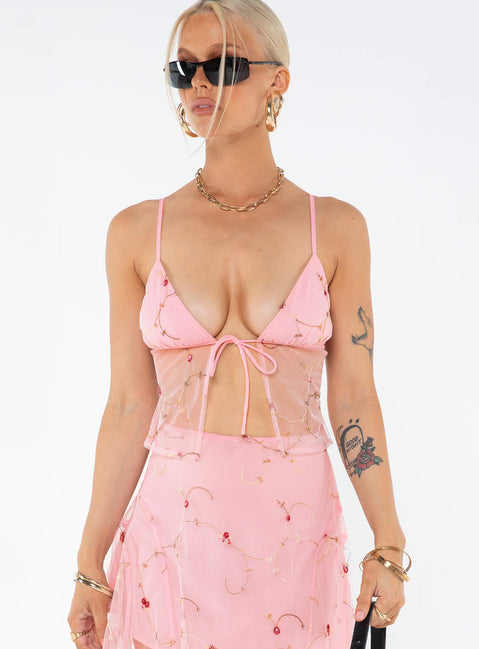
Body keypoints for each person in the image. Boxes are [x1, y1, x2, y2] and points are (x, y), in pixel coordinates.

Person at [67, 1, 409, 648]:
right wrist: (90, 562)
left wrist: (388, 543)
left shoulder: (336, 229)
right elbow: (129, 403)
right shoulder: (136, 232)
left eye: (224, 65)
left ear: (278, 80)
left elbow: (354, 396)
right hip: (170, 535)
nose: (199, 83)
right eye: (184, 69)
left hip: (296, 535)